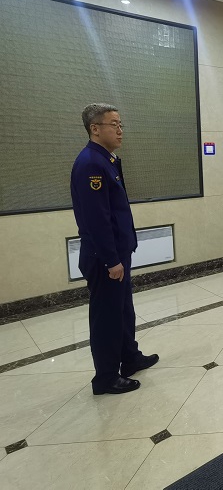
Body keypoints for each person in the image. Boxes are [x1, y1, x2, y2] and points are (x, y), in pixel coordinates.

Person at [70, 103, 158, 395]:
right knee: (107, 317)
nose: (120, 130)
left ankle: (129, 357)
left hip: (117, 252)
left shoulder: (106, 160)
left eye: (121, 124)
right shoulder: (91, 164)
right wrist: (111, 259)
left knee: (122, 310)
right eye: (114, 124)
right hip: (104, 257)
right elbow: (97, 219)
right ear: (95, 129)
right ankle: (106, 377)